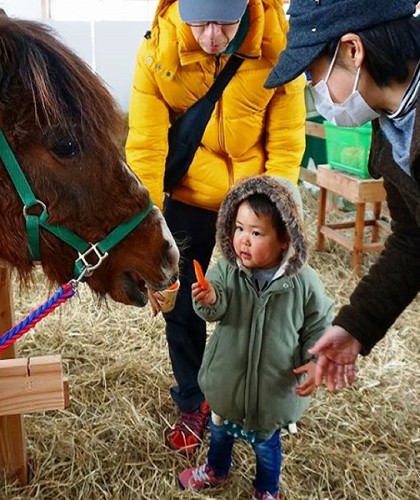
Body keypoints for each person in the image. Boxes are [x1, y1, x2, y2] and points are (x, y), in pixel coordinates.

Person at [126, 0, 306, 455]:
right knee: (183, 310)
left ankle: (252, 401)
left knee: (252, 309)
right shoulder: (157, 53)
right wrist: (148, 231)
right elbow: (145, 147)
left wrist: (276, 207)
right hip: (187, 203)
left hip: (253, 205)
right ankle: (192, 401)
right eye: (199, 23)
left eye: (223, 23)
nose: (210, 37)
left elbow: (285, 137)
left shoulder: (277, 45)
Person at [265, 0, 420, 391]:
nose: (315, 92)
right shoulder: (390, 129)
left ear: (353, 50)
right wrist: (356, 326)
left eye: (314, 76)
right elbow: (413, 239)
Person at [177, 175, 333, 499]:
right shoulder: (227, 270)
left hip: (271, 392)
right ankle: (217, 469)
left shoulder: (304, 284)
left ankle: (266, 489)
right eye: (238, 228)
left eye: (256, 232)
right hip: (227, 382)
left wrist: (317, 359)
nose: (243, 240)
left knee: (266, 445)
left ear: (286, 238)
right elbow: (215, 306)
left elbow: (318, 327)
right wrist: (208, 300)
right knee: (219, 431)